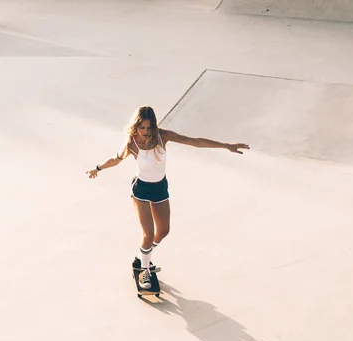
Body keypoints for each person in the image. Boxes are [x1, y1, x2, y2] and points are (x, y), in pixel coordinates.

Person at [86, 106, 250, 289]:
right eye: (142, 128)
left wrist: (226, 146)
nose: (146, 132)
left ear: (154, 126)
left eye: (149, 127)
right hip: (141, 190)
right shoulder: (132, 144)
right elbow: (116, 160)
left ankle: (142, 256)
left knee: (163, 231)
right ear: (136, 127)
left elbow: (194, 142)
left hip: (160, 189)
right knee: (148, 233)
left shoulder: (162, 137)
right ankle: (144, 270)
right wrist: (97, 168)